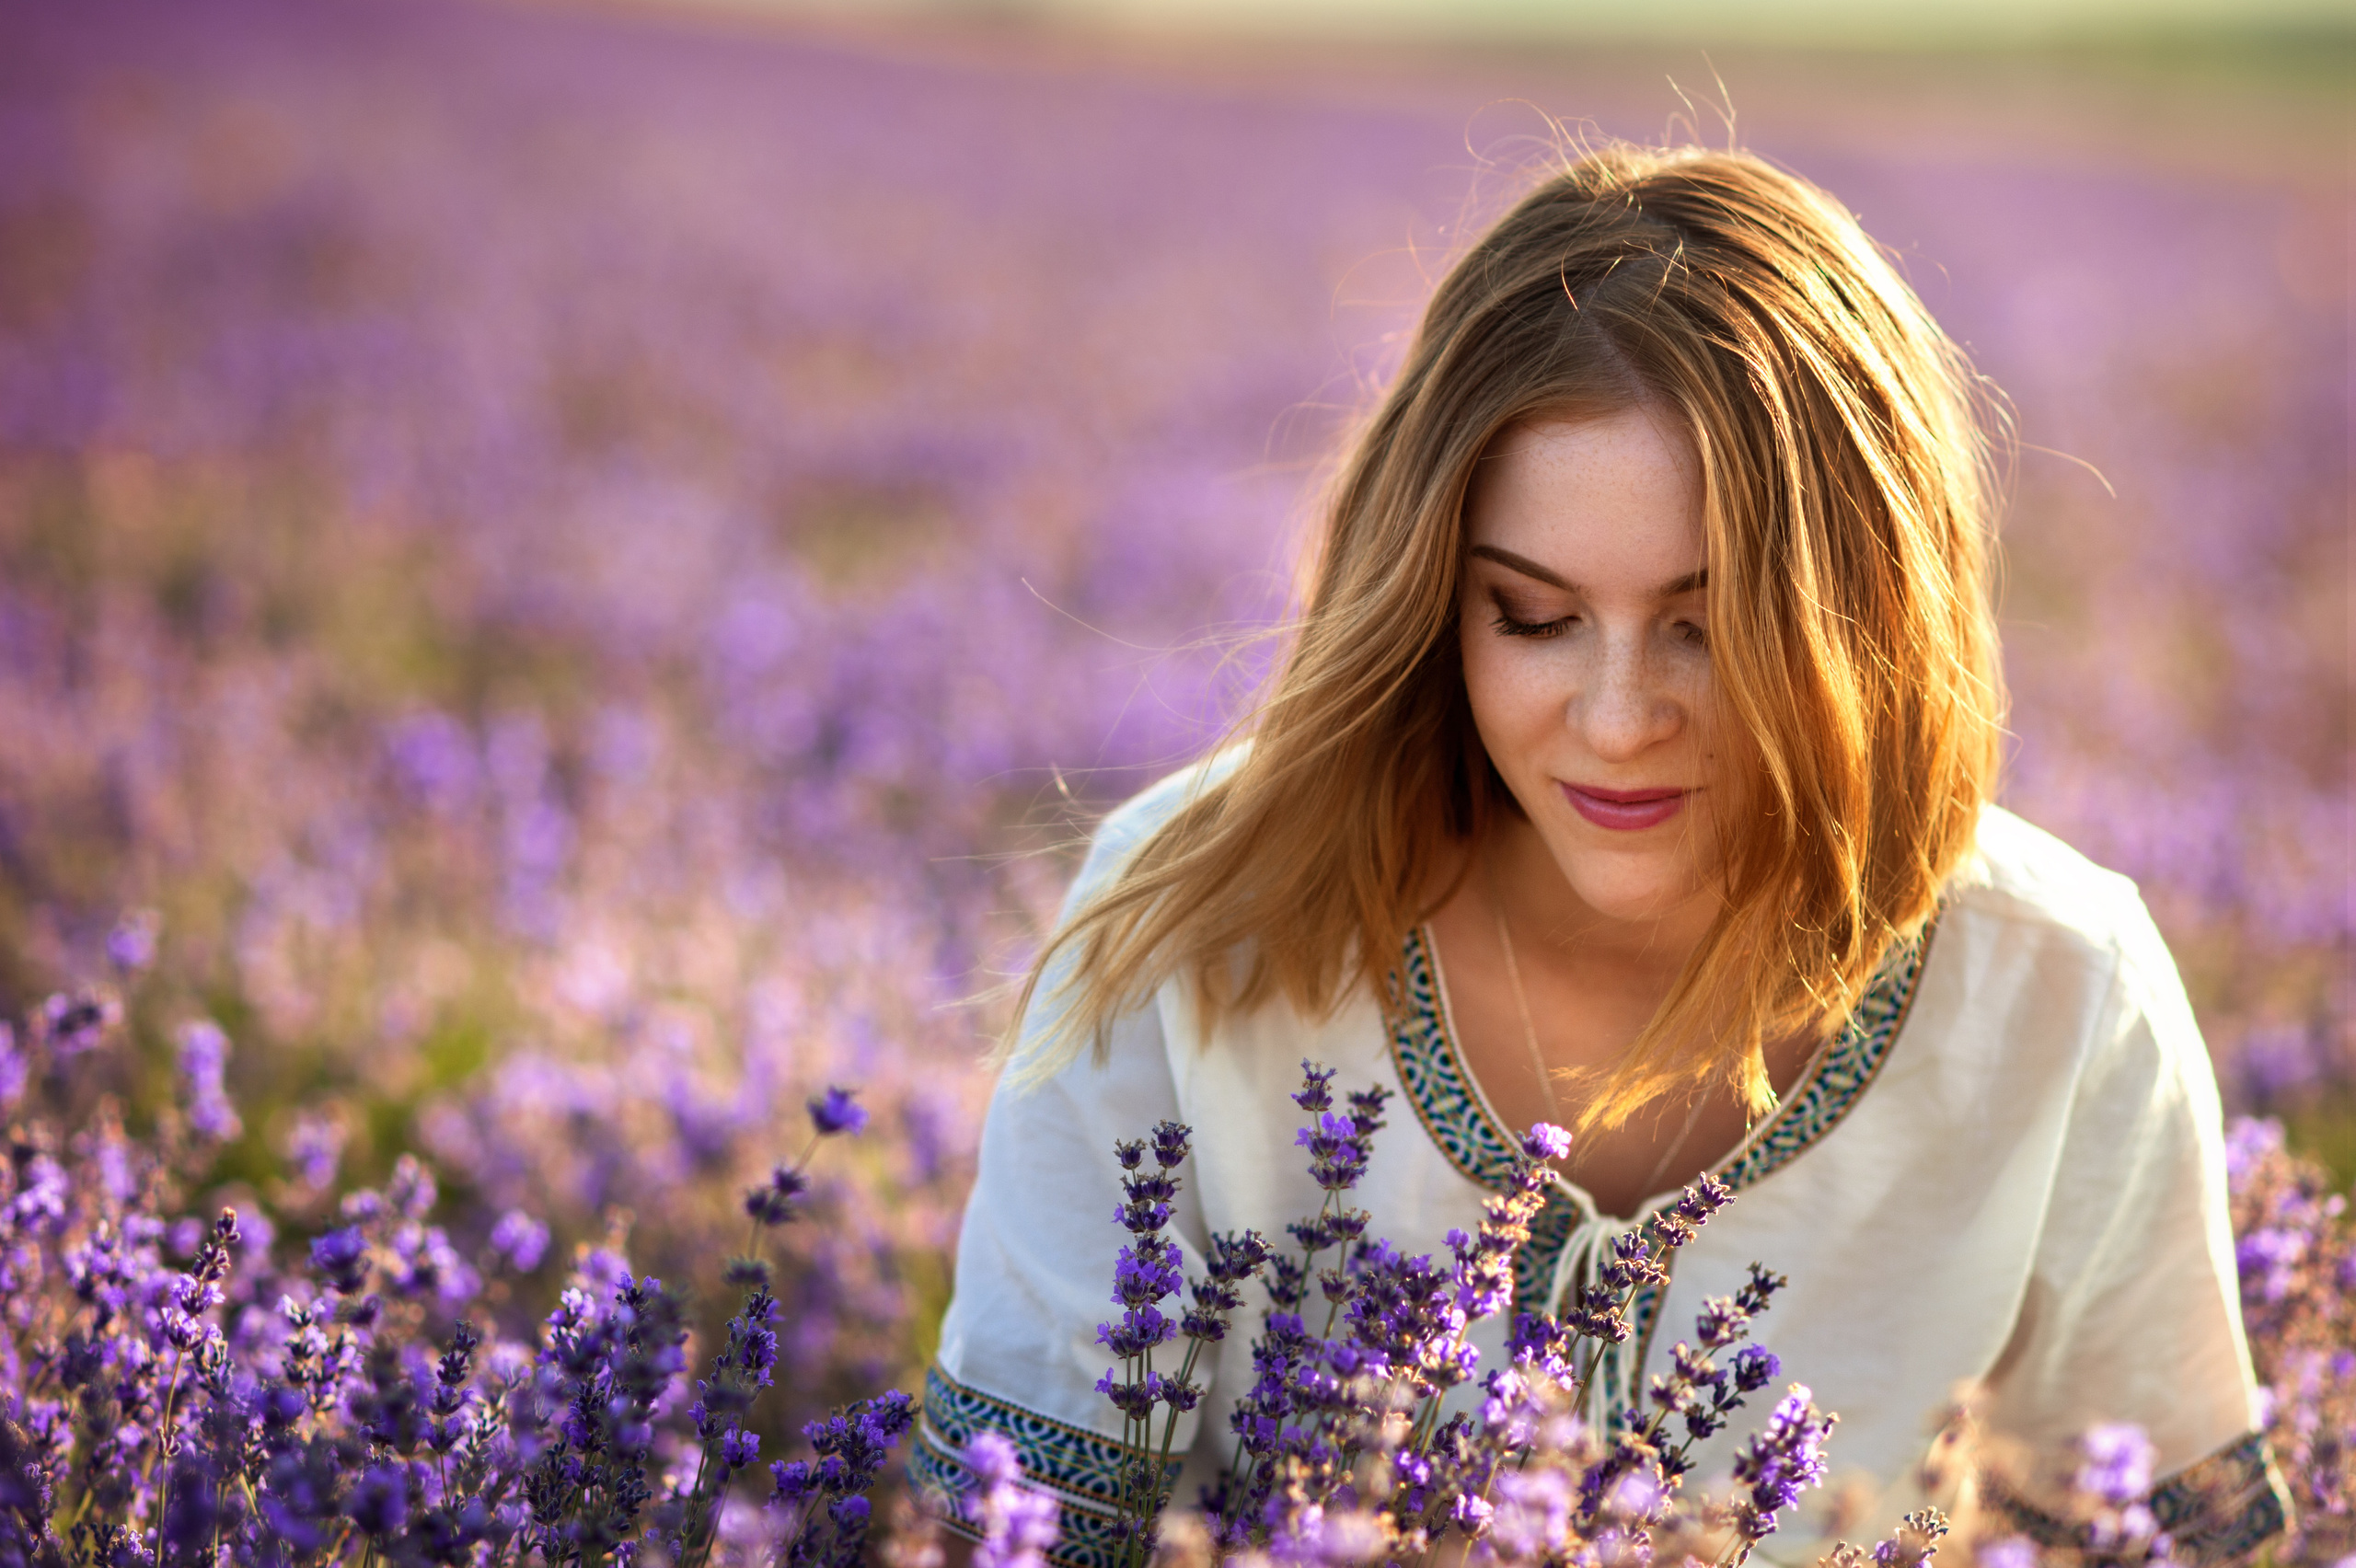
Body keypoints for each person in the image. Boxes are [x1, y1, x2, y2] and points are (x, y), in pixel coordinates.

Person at [909, 144, 2281, 1566]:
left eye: (1711, 623)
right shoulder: (1199, 918)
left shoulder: (2062, 989)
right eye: (1534, 616)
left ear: (1870, 615)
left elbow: (2144, 1540)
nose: (1621, 721)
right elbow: (1013, 1532)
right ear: (1432, 597)